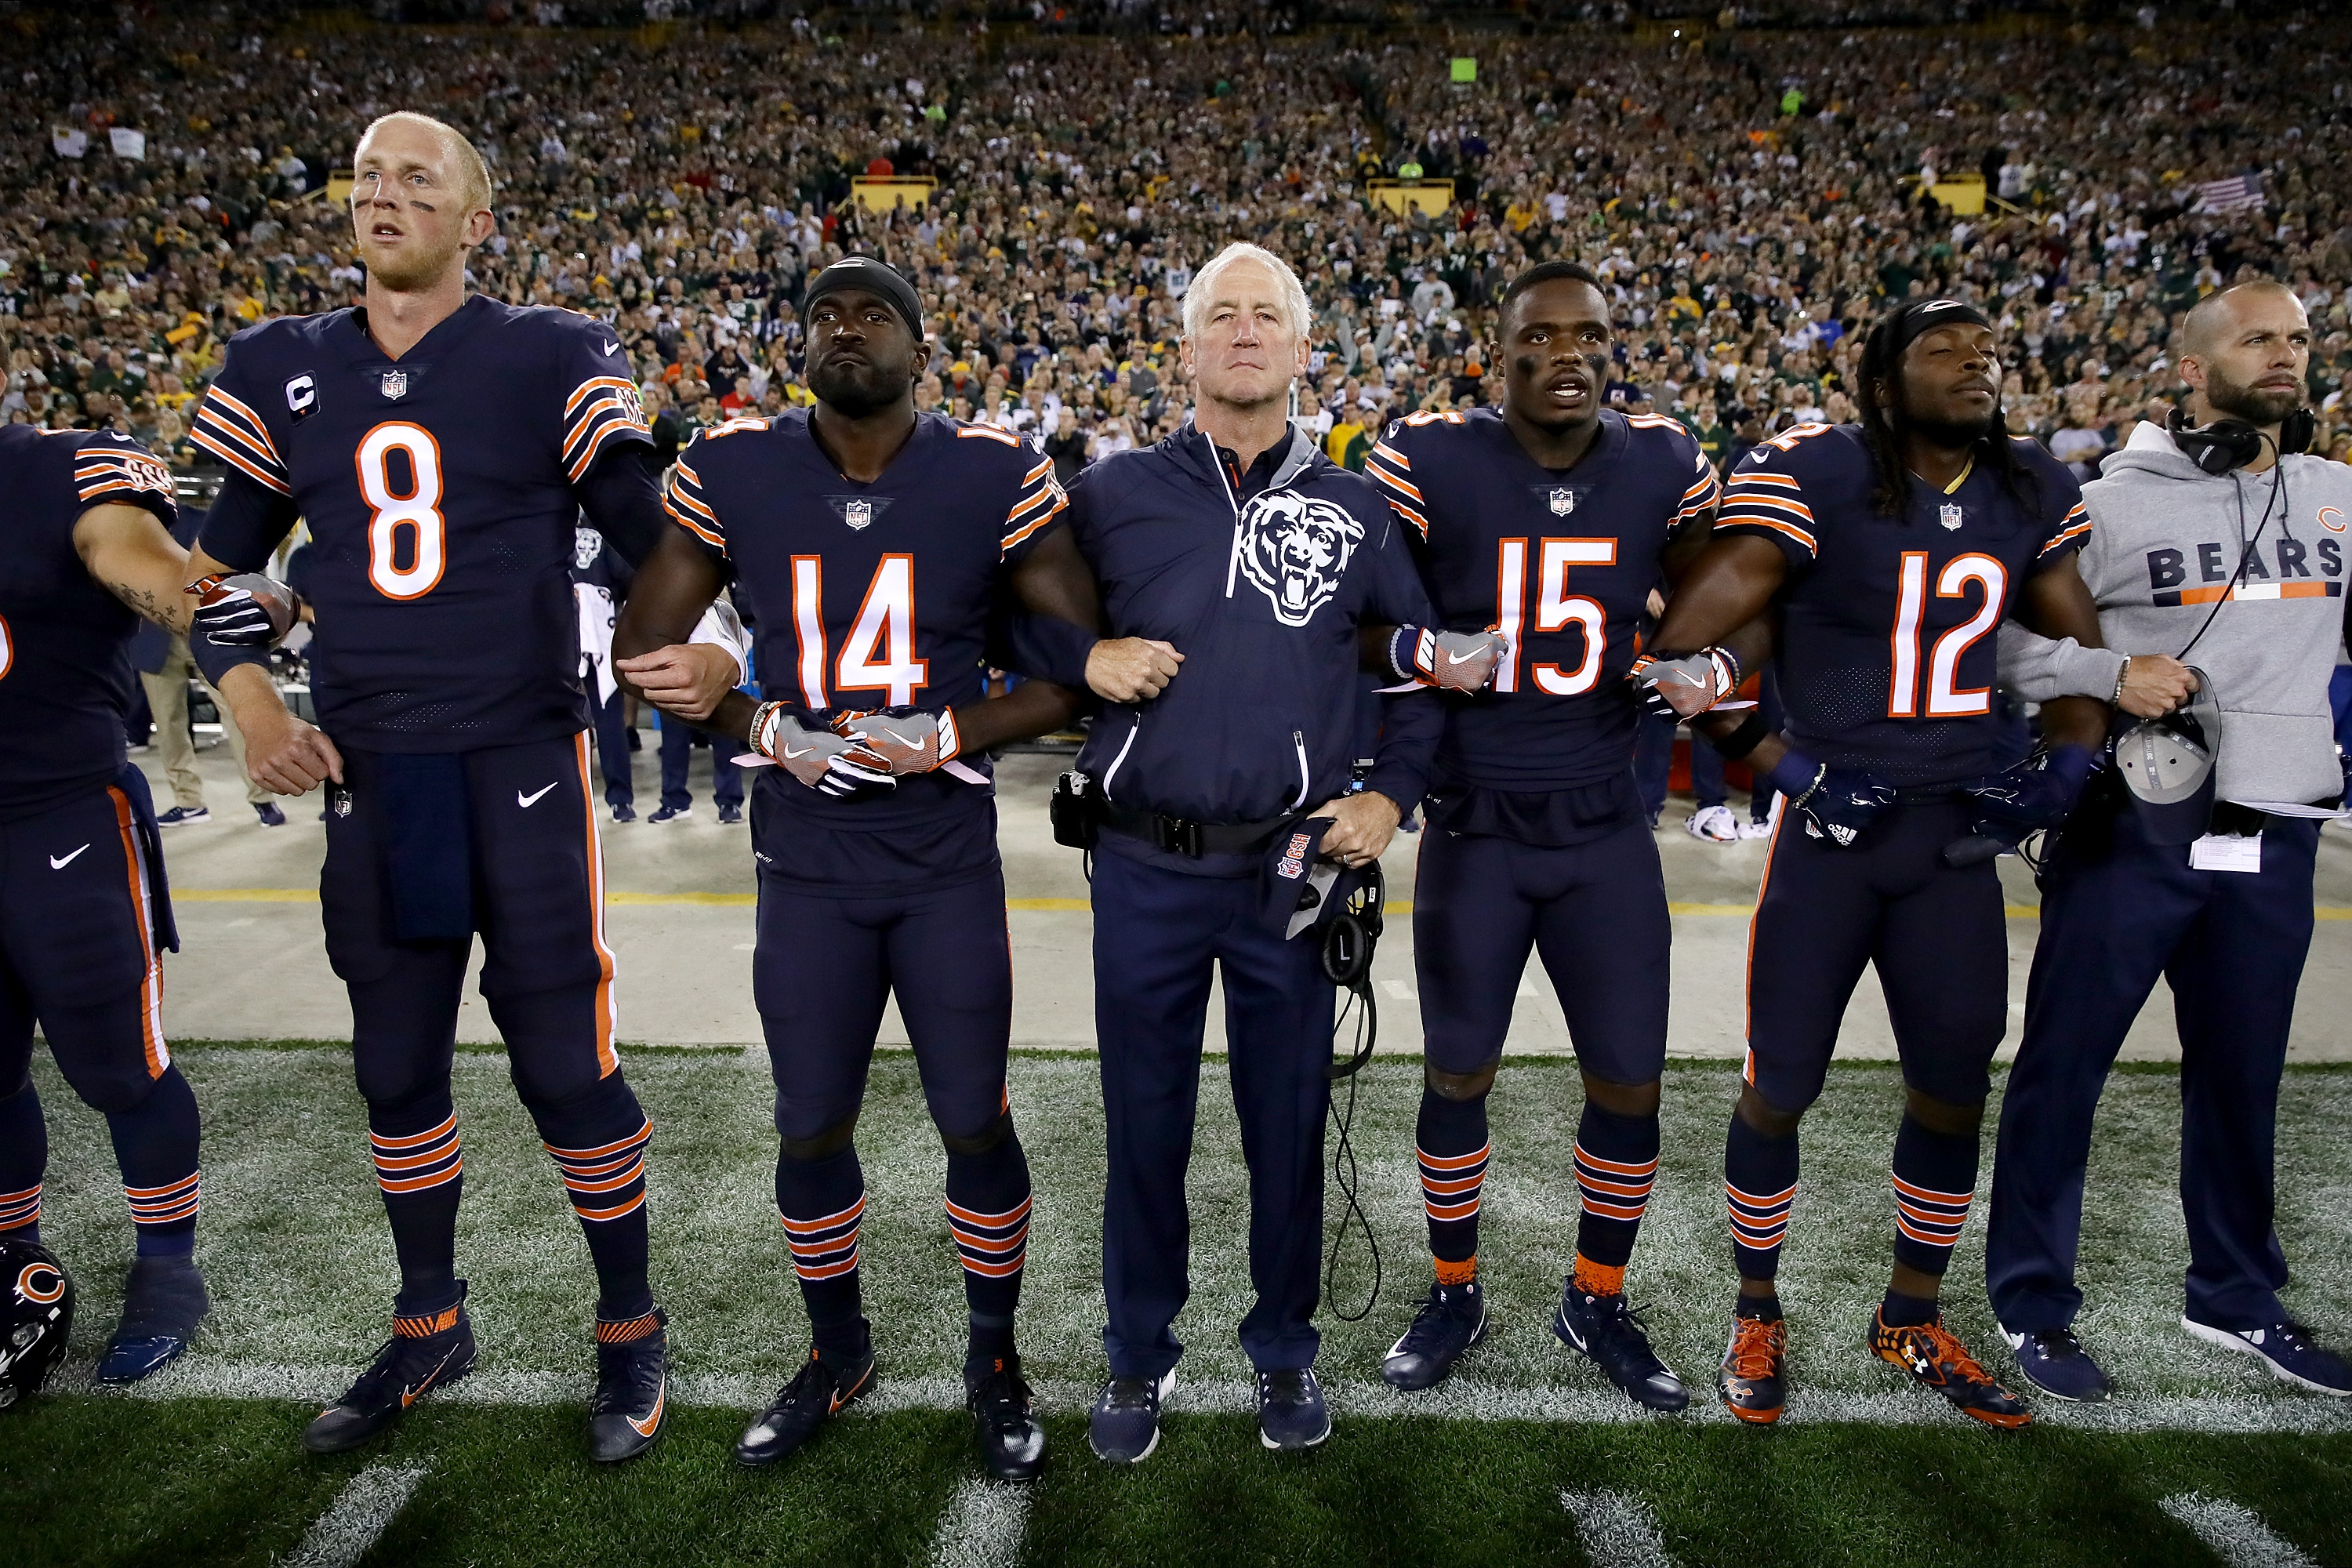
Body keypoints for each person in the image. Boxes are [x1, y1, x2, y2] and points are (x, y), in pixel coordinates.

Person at [182, 111, 677, 1463]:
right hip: (371, 765)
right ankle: (428, 1321)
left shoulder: (546, 353)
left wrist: (690, 639)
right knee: (395, 1065)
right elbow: (211, 577)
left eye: (418, 178)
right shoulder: (282, 366)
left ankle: (631, 1327)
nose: (383, 196)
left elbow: (646, 527)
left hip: (519, 753)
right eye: (366, 179)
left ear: (477, 219)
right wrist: (249, 696)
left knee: (563, 1065)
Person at [609, 255, 1103, 1482]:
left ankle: (994, 1362)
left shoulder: (992, 471)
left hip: (941, 858)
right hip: (807, 859)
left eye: (873, 312)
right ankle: (839, 1353)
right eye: (822, 315)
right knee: (812, 1115)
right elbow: (644, 646)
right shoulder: (734, 465)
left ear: (920, 348)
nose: (844, 329)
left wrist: (951, 731)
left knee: (971, 1115)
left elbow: (1076, 664)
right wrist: (759, 726)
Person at [1644, 297, 2114, 1428]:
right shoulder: (1820, 474)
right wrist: (1781, 765)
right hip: (1836, 837)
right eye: (1946, 349)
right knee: (1780, 1085)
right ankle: (1756, 1306)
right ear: (1883, 376)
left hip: (1952, 840)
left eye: (1989, 347)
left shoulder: (2027, 486)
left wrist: (2061, 775)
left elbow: (2081, 656)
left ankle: (1910, 1313)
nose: (1977, 362)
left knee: (1954, 1091)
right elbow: (1681, 654)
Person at [1022, 242, 1443, 1461]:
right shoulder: (1108, 494)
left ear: (1305, 349)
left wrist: (1392, 798)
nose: (1246, 332)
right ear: (1188, 346)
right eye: (1224, 316)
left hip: (1289, 873)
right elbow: (1013, 614)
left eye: (1269, 316)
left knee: (1287, 1122)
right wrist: (1082, 660)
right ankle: (1137, 1356)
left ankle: (1283, 1351)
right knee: (1142, 1122)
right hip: (1146, 866)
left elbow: (1416, 664)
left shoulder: (1359, 504)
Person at [1359, 261, 1751, 1410]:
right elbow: (1350, 617)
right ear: (1499, 353)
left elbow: (1746, 584)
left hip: (1603, 830)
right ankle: (1453, 1287)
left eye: (1589, 335)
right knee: (1457, 1069)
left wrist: (1719, 665)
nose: (1567, 354)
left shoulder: (1666, 458)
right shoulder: (1430, 455)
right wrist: (1421, 653)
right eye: (1542, 337)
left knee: (1629, 1081)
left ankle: (1596, 1297)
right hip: (1476, 825)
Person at [1986, 280, 2352, 1402]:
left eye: (2297, 339)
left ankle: (2233, 1296)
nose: (2284, 356)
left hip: (2274, 830)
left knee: (2243, 1081)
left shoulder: (2339, 493)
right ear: (2192, 370)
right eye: (2257, 340)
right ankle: (2032, 1303)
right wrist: (2108, 671)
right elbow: (1999, 642)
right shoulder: (2106, 505)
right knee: (2065, 1071)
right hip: (2131, 829)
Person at [0, 388, 299, 1385]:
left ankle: (167, 1261)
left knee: (118, 1063)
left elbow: (142, 561)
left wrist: (215, 612)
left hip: (58, 818)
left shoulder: (60, 468)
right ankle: (14, 1254)